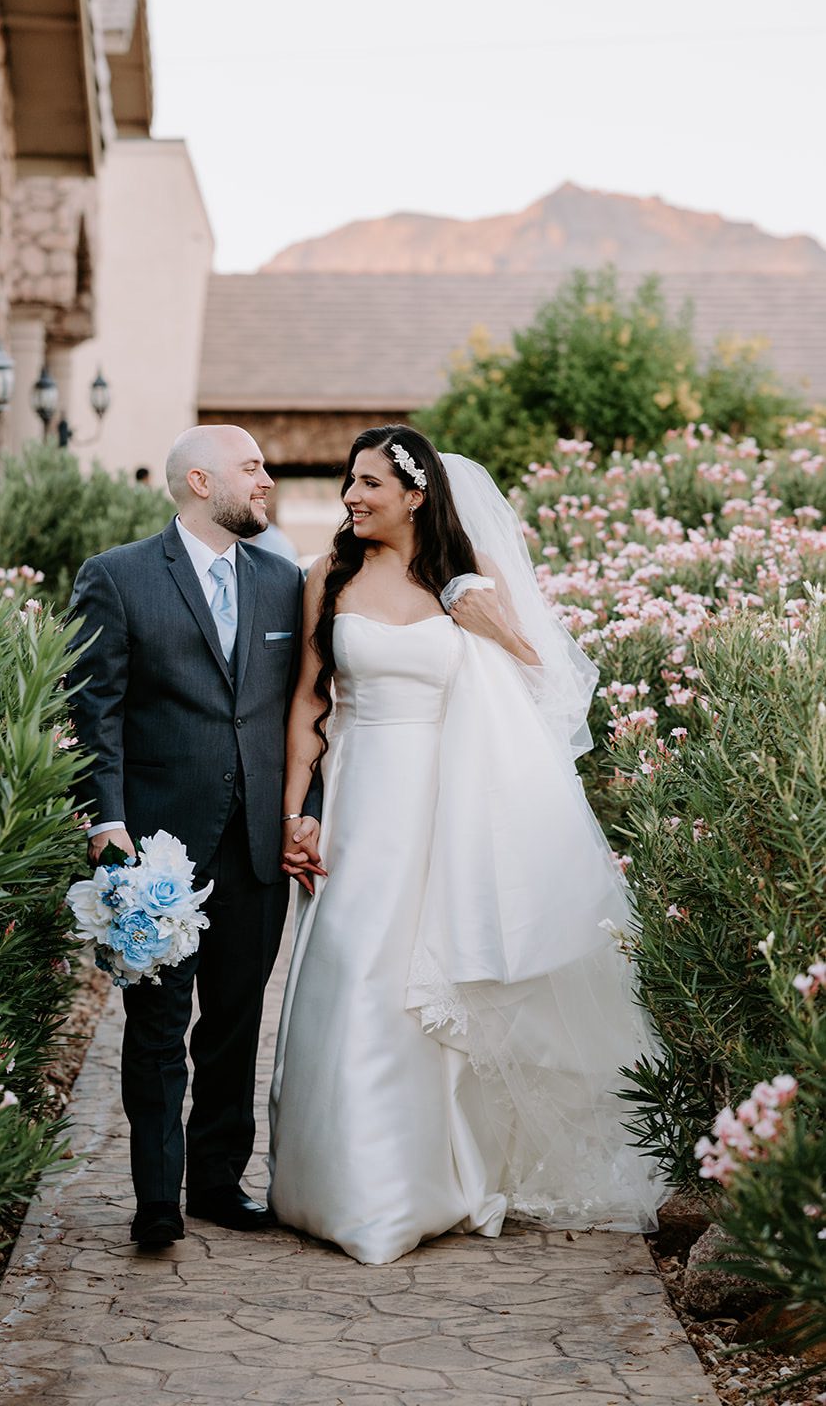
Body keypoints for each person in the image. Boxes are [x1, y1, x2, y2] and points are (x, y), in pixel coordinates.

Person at [269, 424, 666, 1265]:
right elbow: (308, 704)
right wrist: (292, 812)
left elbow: (546, 692)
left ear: (415, 495)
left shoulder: (466, 588)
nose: (351, 496)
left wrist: (498, 630)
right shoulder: (325, 576)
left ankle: (431, 1183)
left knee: (431, 981)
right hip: (357, 804)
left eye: (368, 483)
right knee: (350, 968)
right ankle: (332, 1185)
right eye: (349, 481)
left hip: (446, 808)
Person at [68, 423, 316, 1249]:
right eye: (251, 468)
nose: (266, 480)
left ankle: (216, 1183)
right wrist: (108, 824)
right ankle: (155, 1201)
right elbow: (92, 713)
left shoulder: (286, 584)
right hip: (154, 854)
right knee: (156, 1030)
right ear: (201, 482)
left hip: (253, 848)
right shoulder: (117, 578)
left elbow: (301, 714)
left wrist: (298, 811)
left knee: (235, 1025)